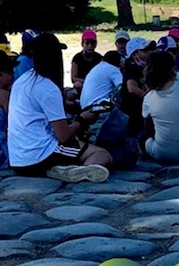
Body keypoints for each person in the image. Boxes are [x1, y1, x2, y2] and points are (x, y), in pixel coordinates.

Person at [8, 32, 112, 183]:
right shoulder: (47, 87)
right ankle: (75, 170)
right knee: (103, 155)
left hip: (18, 157)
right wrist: (82, 120)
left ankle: (64, 166)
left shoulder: (23, 80)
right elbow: (62, 135)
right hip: (39, 155)